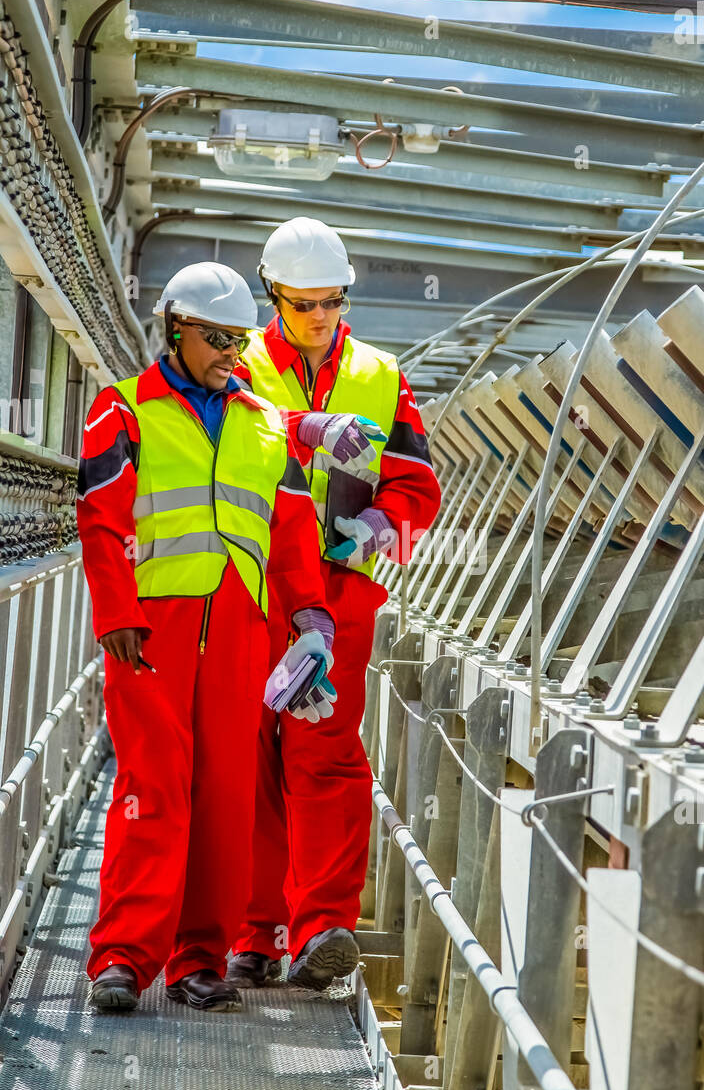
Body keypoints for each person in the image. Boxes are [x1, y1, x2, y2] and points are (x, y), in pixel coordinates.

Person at [76, 262, 371, 1014]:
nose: (230, 354)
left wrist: (310, 622)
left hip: (240, 628)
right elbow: (102, 519)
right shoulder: (125, 412)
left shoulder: (263, 424)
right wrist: (115, 614)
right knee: (154, 789)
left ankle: (198, 961)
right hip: (152, 631)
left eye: (238, 341)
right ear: (176, 329)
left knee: (228, 798)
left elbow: (293, 532)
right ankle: (121, 958)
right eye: (216, 339)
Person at [227, 217, 441, 992]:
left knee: (325, 755)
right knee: (248, 756)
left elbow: (417, 479)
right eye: (303, 303)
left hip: (342, 594)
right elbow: (203, 423)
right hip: (253, 587)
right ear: (271, 297)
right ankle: (253, 932)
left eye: (334, 301)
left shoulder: (382, 375)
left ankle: (320, 929)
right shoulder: (235, 359)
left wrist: (386, 521)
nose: (321, 316)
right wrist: (303, 427)